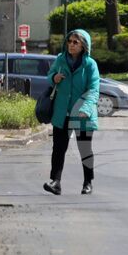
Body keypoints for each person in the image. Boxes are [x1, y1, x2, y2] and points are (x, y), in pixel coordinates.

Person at [44, 30, 100, 196]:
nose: (71, 44)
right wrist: (54, 78)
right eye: (69, 41)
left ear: (83, 45)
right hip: (62, 112)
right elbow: (49, 75)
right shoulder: (61, 59)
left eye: (75, 42)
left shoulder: (90, 64)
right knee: (59, 149)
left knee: (84, 149)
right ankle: (55, 182)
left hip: (83, 113)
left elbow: (94, 89)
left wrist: (86, 108)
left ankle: (88, 182)